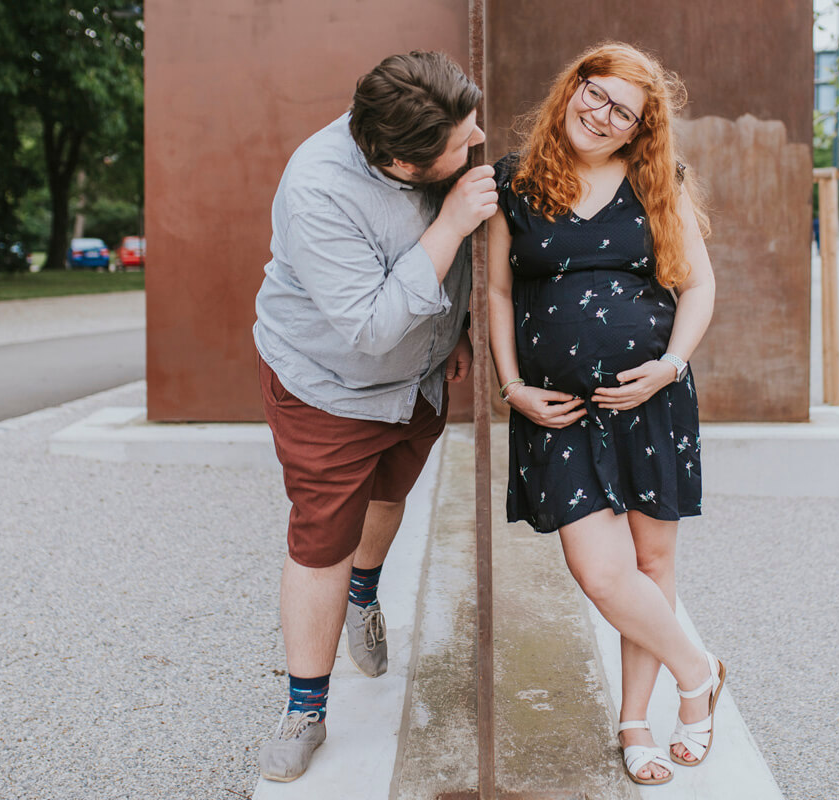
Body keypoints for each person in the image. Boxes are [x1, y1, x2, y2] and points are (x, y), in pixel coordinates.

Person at [252, 51, 496, 782]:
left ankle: (365, 595)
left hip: (418, 380)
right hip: (332, 387)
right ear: (400, 160)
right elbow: (367, 324)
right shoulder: (318, 190)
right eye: (461, 144)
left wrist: (457, 334)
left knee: (388, 495)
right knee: (322, 539)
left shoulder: (433, 131)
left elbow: (456, 271)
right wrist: (451, 222)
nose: (477, 139)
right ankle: (305, 709)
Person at [486, 42, 721, 786]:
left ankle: (635, 720)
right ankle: (699, 671)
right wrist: (511, 386)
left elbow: (698, 288)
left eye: (622, 111)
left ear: (636, 132)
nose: (601, 114)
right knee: (601, 573)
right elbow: (494, 294)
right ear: (572, 88)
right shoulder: (513, 184)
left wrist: (669, 366)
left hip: (649, 403)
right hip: (556, 413)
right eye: (596, 93)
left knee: (652, 568)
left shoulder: (659, 185)